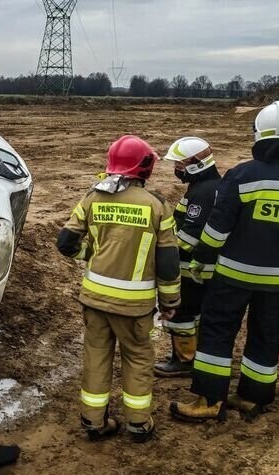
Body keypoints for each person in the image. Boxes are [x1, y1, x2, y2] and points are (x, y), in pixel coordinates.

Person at [171, 101, 279, 422]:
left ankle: (210, 400)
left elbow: (216, 229)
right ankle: (253, 399)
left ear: (257, 134)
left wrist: (202, 259)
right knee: (266, 335)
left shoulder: (242, 175)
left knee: (217, 333)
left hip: (233, 276)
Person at [57, 135, 181, 442]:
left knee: (96, 356)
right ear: (146, 168)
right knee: (138, 358)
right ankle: (139, 424)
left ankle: (93, 422)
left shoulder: (92, 198)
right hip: (135, 306)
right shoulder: (157, 207)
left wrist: (91, 255)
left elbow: (65, 243)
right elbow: (168, 262)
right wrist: (170, 300)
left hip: (95, 299)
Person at [154, 137, 221, 377]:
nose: (176, 169)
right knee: (196, 314)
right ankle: (190, 356)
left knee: (183, 314)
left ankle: (184, 361)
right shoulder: (205, 187)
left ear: (196, 163)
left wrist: (163, 250)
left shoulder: (203, 192)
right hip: (201, 268)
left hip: (193, 269)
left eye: (180, 164)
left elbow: (190, 237)